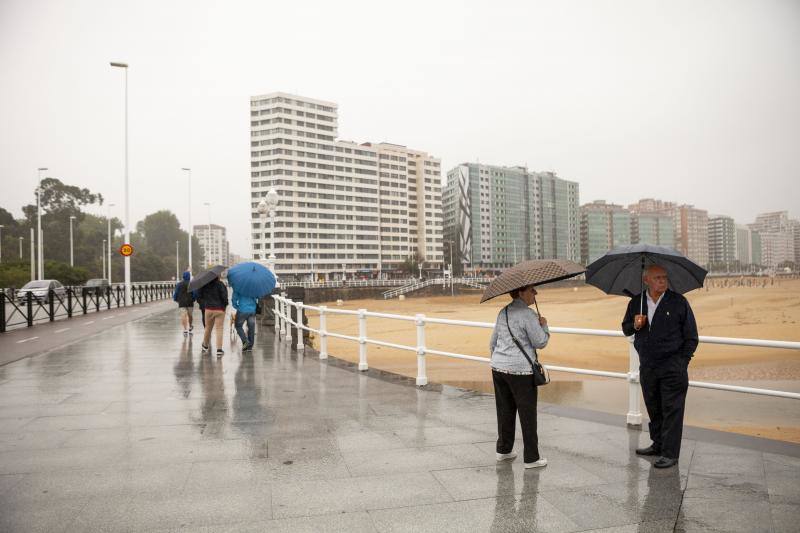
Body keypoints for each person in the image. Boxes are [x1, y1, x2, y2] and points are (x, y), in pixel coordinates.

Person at [622, 265, 698, 468]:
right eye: (657, 278)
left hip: (673, 368)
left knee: (672, 410)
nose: (663, 281)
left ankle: (670, 453)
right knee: (654, 407)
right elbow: (625, 328)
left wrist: (682, 363)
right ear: (646, 280)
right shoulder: (636, 303)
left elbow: (692, 337)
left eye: (665, 277)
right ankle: (658, 444)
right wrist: (635, 325)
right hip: (648, 366)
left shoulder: (678, 302)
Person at [489, 284, 549, 469]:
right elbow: (540, 341)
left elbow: (493, 343)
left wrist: (501, 360)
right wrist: (544, 325)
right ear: (521, 292)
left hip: (498, 368)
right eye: (532, 290)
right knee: (527, 413)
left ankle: (504, 450)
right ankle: (531, 458)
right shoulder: (529, 315)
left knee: (505, 410)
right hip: (521, 372)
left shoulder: (503, 312)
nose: (536, 293)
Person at [197, 274, 228, 358]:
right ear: (218, 277)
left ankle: (205, 345)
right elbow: (225, 297)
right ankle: (219, 350)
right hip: (219, 309)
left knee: (208, 328)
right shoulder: (221, 285)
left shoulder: (205, 285)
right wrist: (224, 306)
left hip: (208, 309)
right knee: (219, 329)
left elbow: (199, 296)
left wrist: (204, 304)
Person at [172, 271, 195, 336]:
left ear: (183, 277)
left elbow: (176, 292)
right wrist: (194, 299)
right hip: (190, 302)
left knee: (183, 315)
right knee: (190, 315)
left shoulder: (179, 284)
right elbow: (194, 293)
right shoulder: (191, 284)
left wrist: (175, 299)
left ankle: (185, 329)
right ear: (189, 277)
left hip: (181, 302)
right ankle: (190, 327)